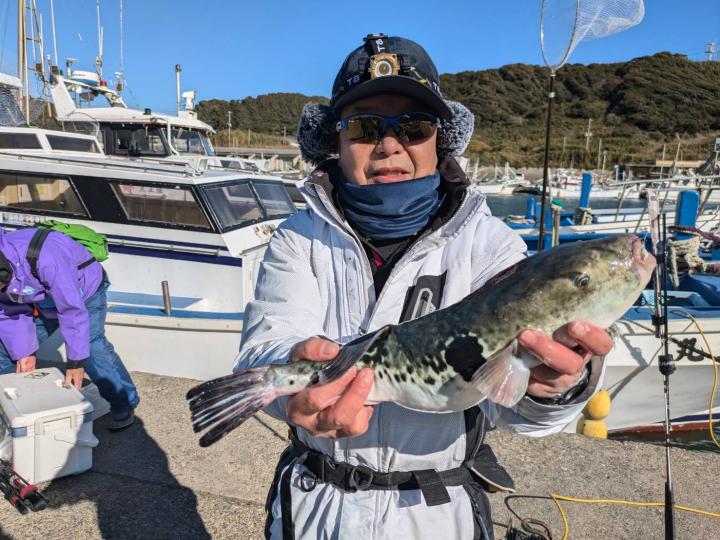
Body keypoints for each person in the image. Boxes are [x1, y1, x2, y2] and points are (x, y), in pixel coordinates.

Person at [237, 34, 613, 539]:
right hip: (313, 506)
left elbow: (513, 406)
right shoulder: (298, 238)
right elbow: (263, 347)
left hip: (438, 512)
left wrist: (555, 387)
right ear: (336, 141)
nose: (389, 145)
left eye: (414, 127)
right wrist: (293, 393)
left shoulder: (490, 245)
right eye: (365, 127)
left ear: (441, 139)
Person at [0, 226, 139, 431]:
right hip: (39, 298)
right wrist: (23, 351)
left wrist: (75, 363)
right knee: (6, 351)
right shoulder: (6, 279)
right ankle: (11, 408)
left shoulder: (47, 258)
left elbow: (72, 310)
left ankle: (124, 402)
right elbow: (9, 310)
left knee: (90, 346)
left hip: (83, 292)